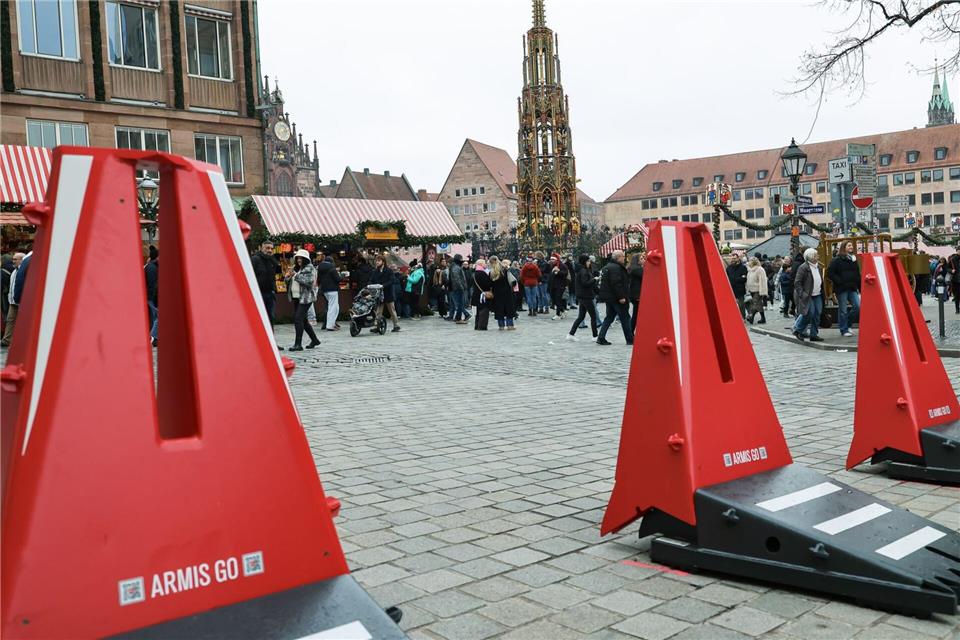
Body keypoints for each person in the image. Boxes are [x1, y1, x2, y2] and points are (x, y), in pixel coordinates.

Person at [285, 249, 321, 351]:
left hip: (306, 298)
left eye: (301, 258)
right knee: (303, 321)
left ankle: (298, 344)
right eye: (297, 258)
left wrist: (295, 275)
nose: (299, 260)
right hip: (296, 297)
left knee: (298, 319)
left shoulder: (310, 268)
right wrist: (287, 277)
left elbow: (309, 282)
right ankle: (314, 340)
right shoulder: (297, 268)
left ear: (306, 259)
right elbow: (290, 281)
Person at [596, 249, 633, 346]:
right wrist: (621, 296)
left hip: (610, 297)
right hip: (617, 297)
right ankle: (630, 339)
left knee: (609, 317)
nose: (624, 258)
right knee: (625, 317)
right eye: (623, 257)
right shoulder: (616, 268)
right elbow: (616, 284)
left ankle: (601, 337)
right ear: (619, 257)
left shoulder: (607, 267)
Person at [827, 241, 861, 337]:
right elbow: (830, 273)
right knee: (843, 310)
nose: (851, 247)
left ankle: (848, 324)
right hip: (841, 288)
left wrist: (860, 287)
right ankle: (843, 329)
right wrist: (839, 281)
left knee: (857, 307)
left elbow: (857, 274)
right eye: (849, 245)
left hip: (852, 287)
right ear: (844, 247)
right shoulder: (836, 260)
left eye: (851, 245)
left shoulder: (853, 259)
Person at [793, 247, 825, 342]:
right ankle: (798, 329)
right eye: (816, 255)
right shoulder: (803, 267)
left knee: (817, 313)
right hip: (808, 295)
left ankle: (814, 334)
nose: (818, 256)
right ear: (810, 257)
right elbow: (797, 282)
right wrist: (802, 294)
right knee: (809, 313)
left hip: (817, 293)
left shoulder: (818, 266)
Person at [567, 255, 599, 341]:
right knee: (593, 316)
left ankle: (571, 334)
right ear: (584, 262)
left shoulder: (583, 270)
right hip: (586, 296)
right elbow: (585, 283)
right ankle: (595, 336)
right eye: (588, 261)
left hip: (583, 296)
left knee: (581, 316)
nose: (589, 263)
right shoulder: (583, 271)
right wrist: (594, 279)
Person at [251, 241, 282, 328]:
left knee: (271, 317)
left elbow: (277, 272)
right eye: (267, 248)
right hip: (259, 293)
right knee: (259, 317)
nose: (270, 250)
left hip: (270, 293)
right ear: (261, 248)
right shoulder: (255, 259)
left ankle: (270, 337)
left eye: (271, 248)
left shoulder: (272, 260)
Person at [2, 252, 27, 347]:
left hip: (21, 300)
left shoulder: (23, 270)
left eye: (16, 259)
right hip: (13, 300)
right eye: (13, 259)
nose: (13, 261)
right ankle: (7, 340)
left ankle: (21, 340)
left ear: (22, 260)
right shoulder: (14, 271)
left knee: (22, 321)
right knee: (10, 320)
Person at [369, 254, 400, 332]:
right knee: (378, 311)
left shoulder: (389, 270)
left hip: (388, 293)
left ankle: (396, 325)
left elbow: (392, 281)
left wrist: (383, 286)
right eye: (376, 261)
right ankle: (377, 326)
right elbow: (371, 280)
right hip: (379, 294)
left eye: (378, 261)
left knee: (392, 310)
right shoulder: (375, 271)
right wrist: (369, 285)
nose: (377, 262)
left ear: (383, 262)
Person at [316, 255, 343, 331]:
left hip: (324, 290)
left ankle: (332, 323)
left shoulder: (320, 268)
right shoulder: (332, 268)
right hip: (333, 290)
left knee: (335, 307)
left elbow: (318, 280)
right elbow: (337, 279)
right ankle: (330, 325)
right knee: (332, 307)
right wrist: (342, 276)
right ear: (331, 261)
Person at [488, 256, 516, 330]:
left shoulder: (491, 272)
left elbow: (490, 284)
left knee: (499, 309)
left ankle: (501, 326)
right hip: (507, 292)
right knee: (508, 308)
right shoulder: (505, 270)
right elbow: (513, 281)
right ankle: (510, 325)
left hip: (497, 293)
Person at [144, 246, 159, 347]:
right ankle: (152, 337)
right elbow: (152, 285)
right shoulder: (151, 268)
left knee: (156, 318)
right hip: (152, 298)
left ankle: (154, 338)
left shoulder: (153, 267)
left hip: (153, 297)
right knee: (156, 318)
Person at [745, 256, 768, 325]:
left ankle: (751, 316)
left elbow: (763, 281)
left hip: (758, 290)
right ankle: (763, 318)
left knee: (755, 303)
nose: (748, 262)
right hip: (751, 290)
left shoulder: (760, 269)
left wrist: (763, 291)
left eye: (750, 261)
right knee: (759, 304)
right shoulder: (749, 270)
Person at [471, 259, 492, 330]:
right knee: (484, 310)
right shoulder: (482, 273)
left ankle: (477, 325)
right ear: (481, 264)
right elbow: (487, 284)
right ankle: (482, 326)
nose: (486, 264)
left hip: (476, 294)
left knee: (478, 311)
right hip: (483, 295)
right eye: (484, 263)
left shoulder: (475, 273)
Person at [726, 254, 748, 319]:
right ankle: (734, 317)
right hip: (731, 289)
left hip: (740, 289)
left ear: (738, 259)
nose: (733, 260)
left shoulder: (743, 267)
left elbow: (744, 278)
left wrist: (736, 279)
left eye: (734, 258)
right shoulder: (729, 268)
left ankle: (743, 317)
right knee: (731, 305)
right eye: (732, 258)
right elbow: (726, 278)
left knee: (741, 305)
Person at [627, 253, 644, 332]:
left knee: (636, 314)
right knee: (636, 315)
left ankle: (631, 332)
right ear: (636, 261)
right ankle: (631, 332)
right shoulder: (637, 269)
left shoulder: (634, 268)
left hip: (635, 294)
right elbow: (646, 275)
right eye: (641, 259)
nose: (643, 260)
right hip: (637, 294)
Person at [548, 254, 569, 320]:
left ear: (556, 259)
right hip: (553, 285)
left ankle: (558, 314)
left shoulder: (562, 265)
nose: (551, 260)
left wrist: (558, 271)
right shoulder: (552, 266)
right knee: (554, 300)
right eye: (551, 259)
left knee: (558, 299)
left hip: (560, 285)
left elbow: (565, 273)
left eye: (553, 259)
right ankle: (563, 311)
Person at [948, 248, 960, 314]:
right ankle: (957, 309)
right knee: (957, 296)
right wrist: (951, 270)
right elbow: (947, 267)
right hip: (956, 280)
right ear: (957, 251)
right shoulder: (952, 259)